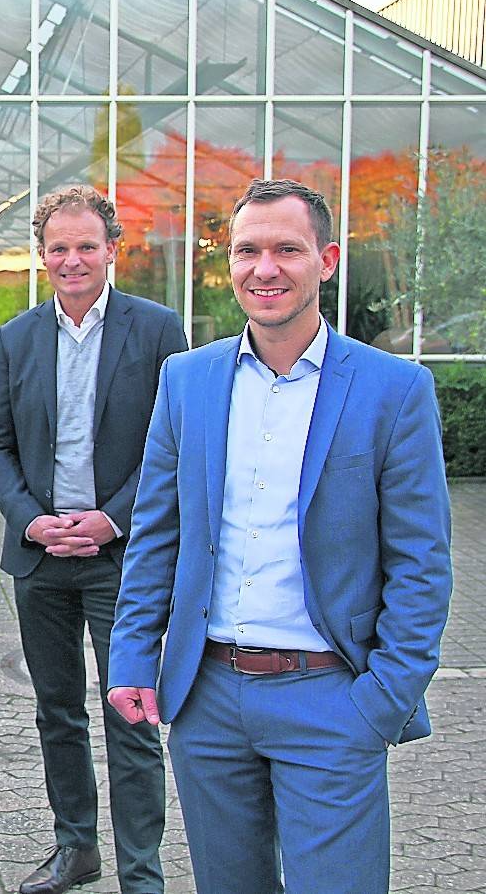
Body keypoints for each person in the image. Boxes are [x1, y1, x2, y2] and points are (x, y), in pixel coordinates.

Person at [107, 179, 454, 894]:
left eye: (286, 250)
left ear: (326, 260)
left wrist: (381, 702)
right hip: (206, 700)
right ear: (227, 264)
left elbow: (422, 565)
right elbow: (156, 535)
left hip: (331, 697)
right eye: (247, 251)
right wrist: (133, 658)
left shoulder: (394, 389)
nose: (265, 268)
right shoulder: (188, 380)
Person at [0, 185, 187, 894]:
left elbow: (172, 445)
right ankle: (76, 849)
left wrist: (113, 518)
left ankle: (141, 872)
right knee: (57, 711)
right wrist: (31, 521)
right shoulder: (15, 338)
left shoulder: (157, 330)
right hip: (40, 560)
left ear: (111, 250)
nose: (73, 259)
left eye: (86, 246)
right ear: (42, 256)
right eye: (59, 247)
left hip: (119, 558)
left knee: (130, 711)